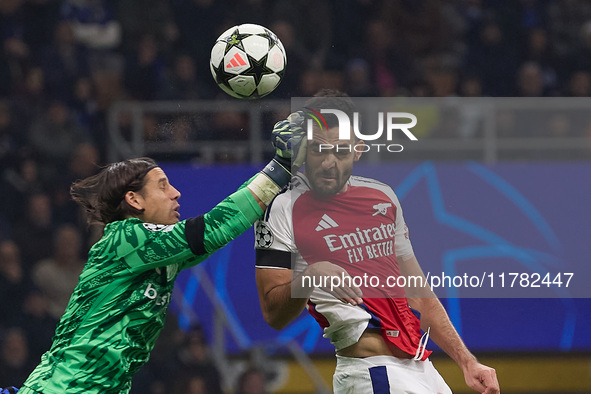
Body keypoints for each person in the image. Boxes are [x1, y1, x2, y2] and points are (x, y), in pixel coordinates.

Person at [15, 122, 299, 393]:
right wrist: (279, 166)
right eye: (162, 186)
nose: (175, 193)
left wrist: (279, 171)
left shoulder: (157, 253)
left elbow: (221, 225)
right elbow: (213, 228)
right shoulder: (127, 238)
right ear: (134, 200)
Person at [254, 90, 500, 393]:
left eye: (341, 151)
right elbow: (272, 313)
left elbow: (421, 297)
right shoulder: (282, 207)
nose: (329, 163)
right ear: (304, 149)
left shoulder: (383, 197)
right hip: (372, 374)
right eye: (319, 150)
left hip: (422, 368)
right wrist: (311, 277)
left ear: (358, 150)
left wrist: (467, 362)